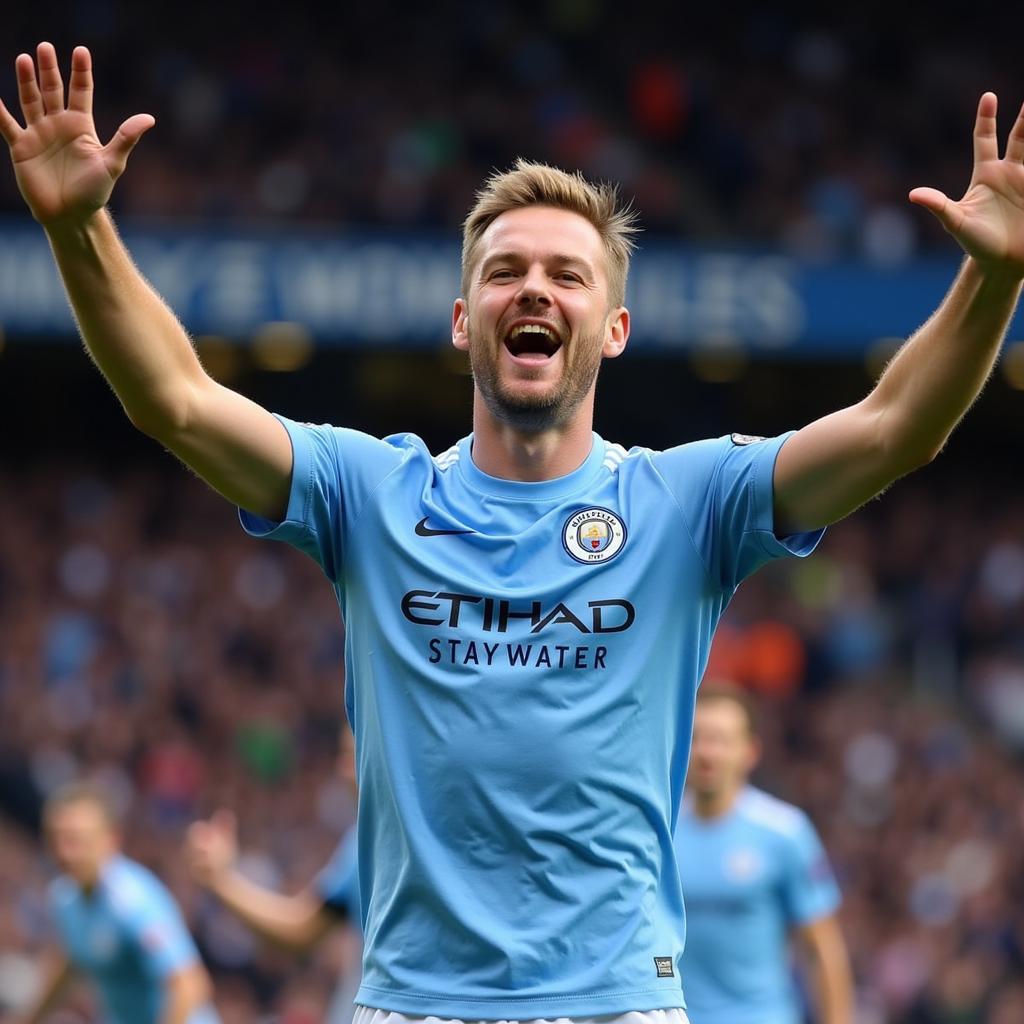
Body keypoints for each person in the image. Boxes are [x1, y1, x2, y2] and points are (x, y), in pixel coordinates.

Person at [3, 39, 1023, 1023]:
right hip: (413, 1002)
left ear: (613, 329)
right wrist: (78, 232)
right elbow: (175, 401)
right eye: (506, 269)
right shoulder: (369, 491)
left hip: (620, 1001)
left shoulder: (689, 500)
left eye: (568, 274)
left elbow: (894, 429)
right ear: (462, 317)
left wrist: (995, 279)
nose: (534, 287)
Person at [674, 684, 852, 1024]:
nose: (707, 752)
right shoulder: (662, 834)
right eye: (697, 738)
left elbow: (821, 948)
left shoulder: (784, 833)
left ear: (750, 751)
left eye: (721, 740)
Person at [184, 727, 362, 1024]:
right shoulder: (362, 846)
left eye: (352, 754)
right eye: (342, 755)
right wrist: (219, 880)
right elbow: (301, 928)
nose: (342, 769)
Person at [17, 781, 219, 1024]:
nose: (65, 852)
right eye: (56, 838)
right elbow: (72, 960)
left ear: (110, 839)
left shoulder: (134, 901)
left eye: (76, 840)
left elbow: (190, 985)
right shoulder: (64, 898)